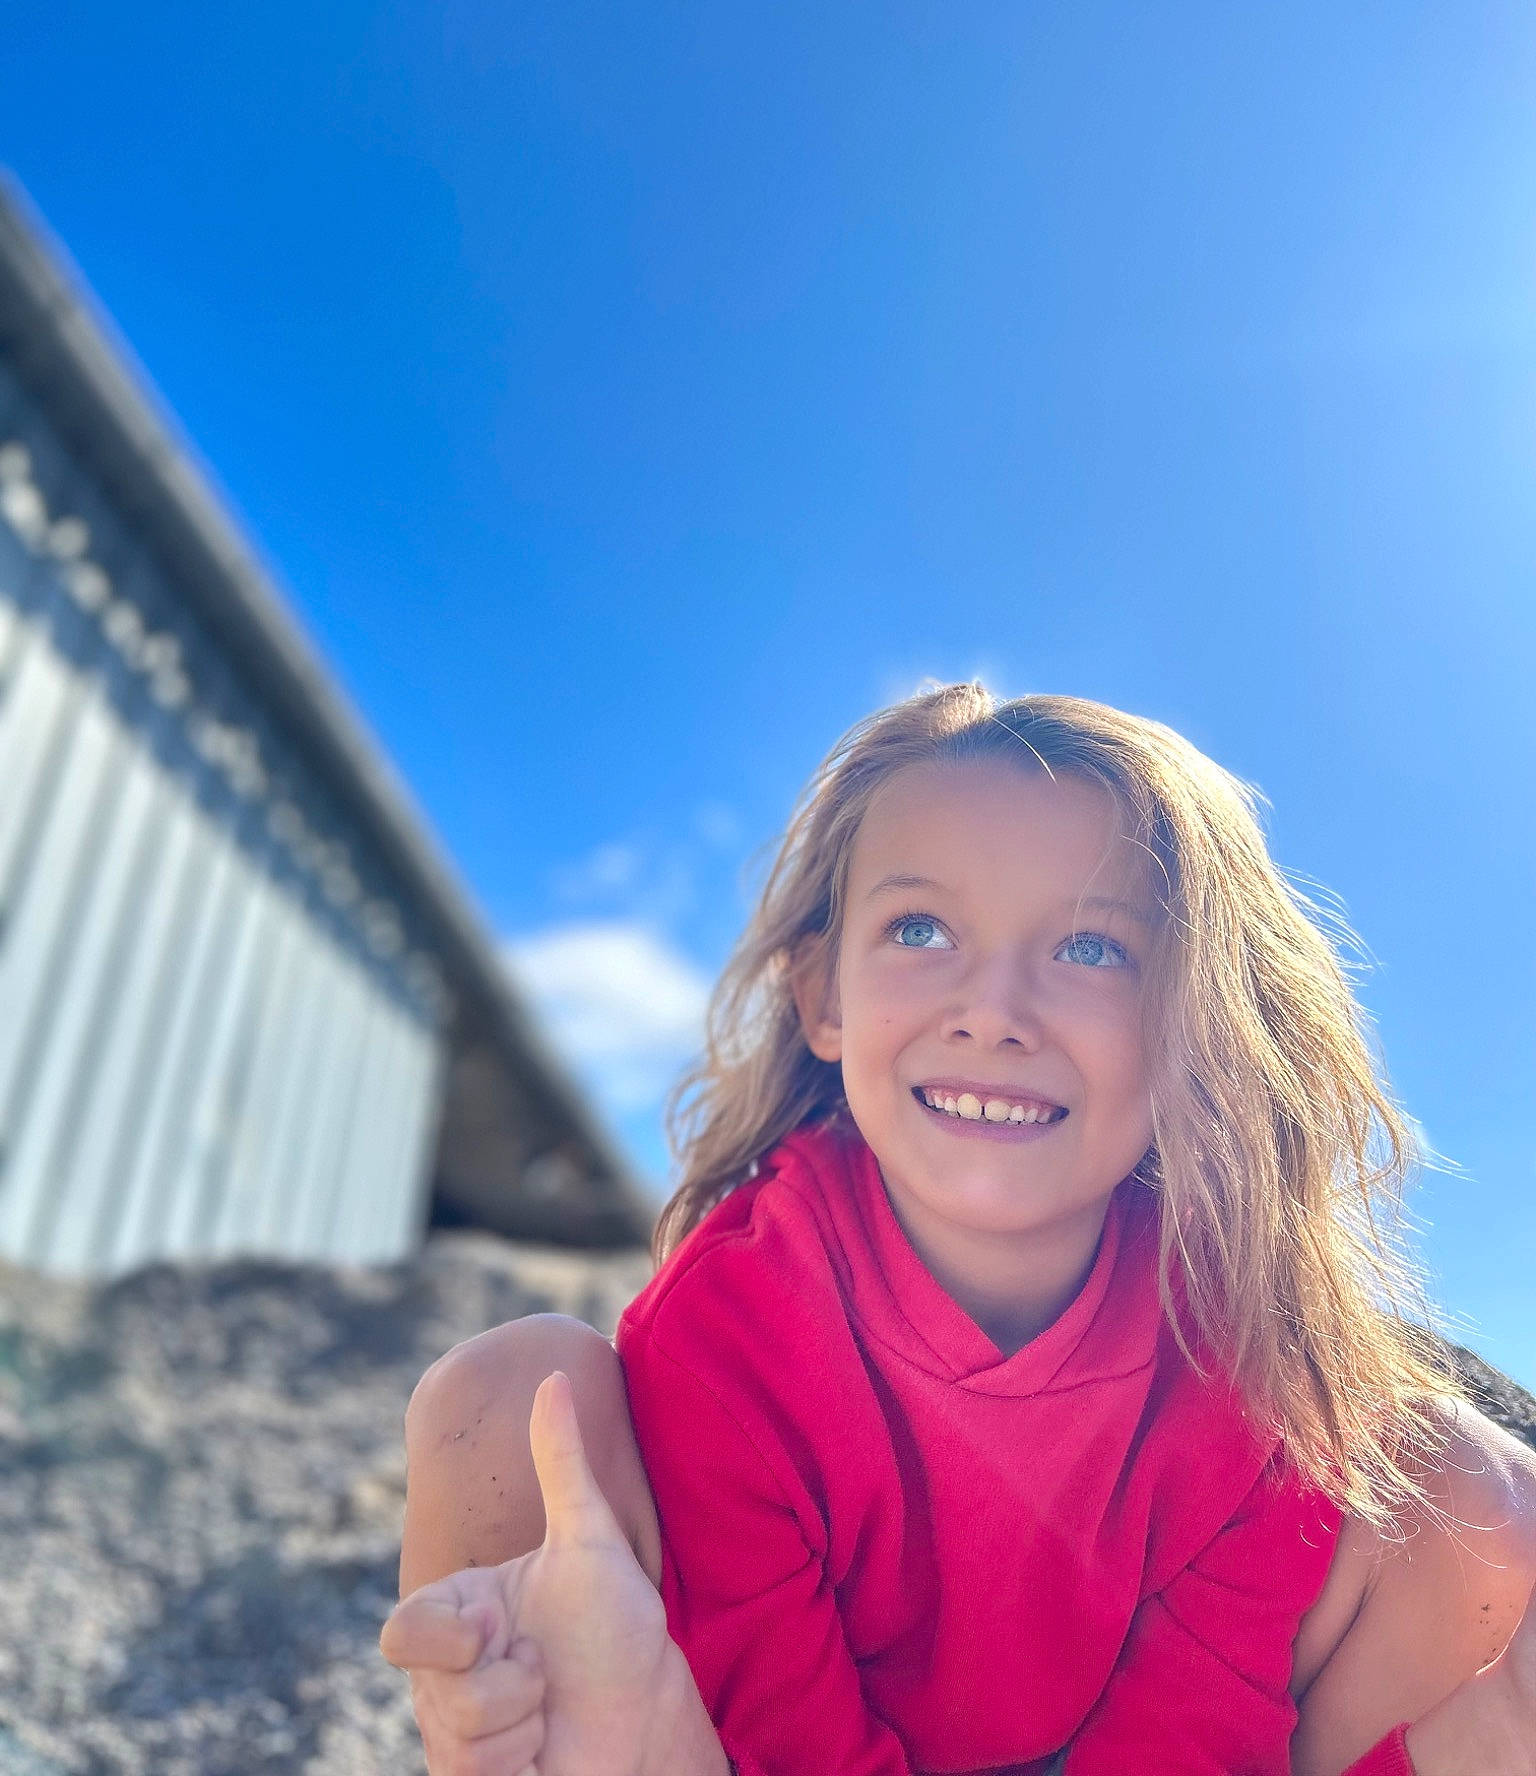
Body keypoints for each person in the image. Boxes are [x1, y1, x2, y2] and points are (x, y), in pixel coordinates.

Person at [381, 686, 1536, 1776]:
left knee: (1466, 1487)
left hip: (1102, 1739)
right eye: (921, 927)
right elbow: (791, 1730)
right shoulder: (735, 1323)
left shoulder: (1244, 1335)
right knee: (515, 1392)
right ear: (824, 997)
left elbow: (1187, 1735)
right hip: (784, 1738)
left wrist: (1490, 1729)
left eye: (1092, 947)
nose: (994, 1011)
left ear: (1195, 1019)